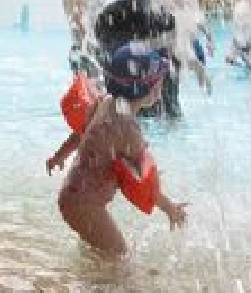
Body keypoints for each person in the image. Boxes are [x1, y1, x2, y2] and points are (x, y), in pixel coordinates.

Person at [46, 45, 187, 257]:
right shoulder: (127, 130)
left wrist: (59, 156)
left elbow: (81, 132)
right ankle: (94, 289)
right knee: (118, 257)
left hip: (73, 197)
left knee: (99, 253)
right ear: (151, 90)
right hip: (86, 206)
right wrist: (171, 209)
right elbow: (147, 185)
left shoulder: (105, 102)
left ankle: (86, 280)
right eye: (160, 82)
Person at [95, 0, 181, 118]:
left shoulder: (107, 14)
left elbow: (102, 53)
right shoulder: (162, 15)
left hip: (124, 91)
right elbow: (171, 53)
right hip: (154, 90)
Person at [157, 0, 213, 93]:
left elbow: (197, 15)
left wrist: (209, 39)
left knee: (187, 59)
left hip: (187, 43)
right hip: (178, 45)